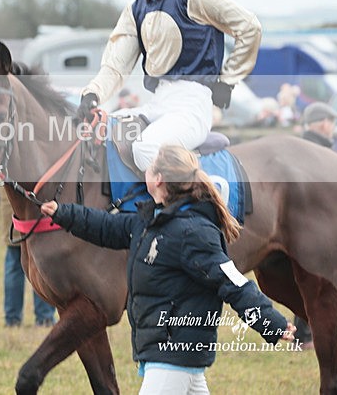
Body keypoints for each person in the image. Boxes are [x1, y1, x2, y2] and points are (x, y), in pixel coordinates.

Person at [40, 145, 295, 394]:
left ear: (158, 179)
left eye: (149, 168)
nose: (145, 173)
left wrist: (271, 323)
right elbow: (106, 226)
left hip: (173, 353)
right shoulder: (151, 221)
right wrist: (63, 213)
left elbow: (232, 283)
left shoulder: (193, 232)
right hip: (171, 355)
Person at [77, 0, 262, 175]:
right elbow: (115, 66)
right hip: (159, 102)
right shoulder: (135, 10)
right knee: (107, 132)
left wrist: (228, 81)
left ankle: (198, 205)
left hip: (192, 104)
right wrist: (92, 94)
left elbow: (249, 26)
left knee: (145, 149)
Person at [291, 101, 337, 350]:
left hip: (300, 225)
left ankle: (303, 334)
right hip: (314, 225)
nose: (332, 127)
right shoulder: (321, 152)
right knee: (314, 281)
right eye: (332, 122)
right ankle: (305, 336)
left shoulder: (300, 147)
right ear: (324, 123)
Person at [0, 187, 56, 328]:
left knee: (13, 265)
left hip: (12, 213)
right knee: (41, 265)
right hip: (36, 212)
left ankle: (12, 319)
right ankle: (45, 317)